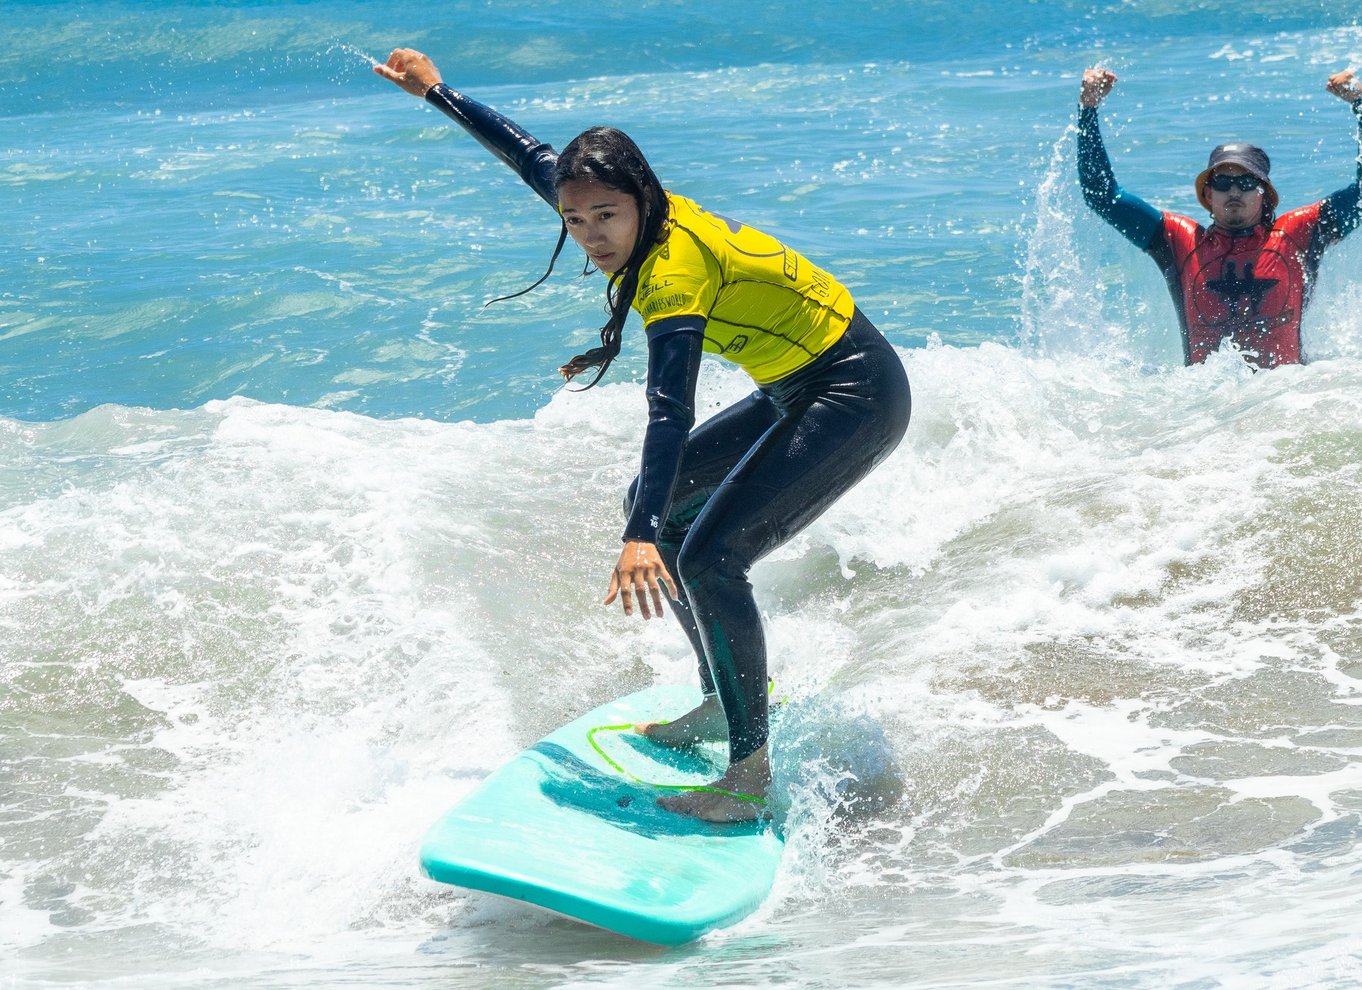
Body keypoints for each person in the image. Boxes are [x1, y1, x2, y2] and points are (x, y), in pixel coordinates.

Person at [374, 50, 911, 822]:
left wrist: (637, 538)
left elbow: (670, 409)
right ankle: (722, 704)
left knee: (711, 556)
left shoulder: (673, 273)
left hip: (856, 389)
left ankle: (747, 774)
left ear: (642, 199)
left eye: (606, 217)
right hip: (795, 382)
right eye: (575, 219)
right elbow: (527, 153)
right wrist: (435, 91)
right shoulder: (601, 204)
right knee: (662, 509)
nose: (592, 236)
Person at [1077, 66, 1362, 368]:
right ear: (1208, 195)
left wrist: (1359, 103)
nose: (1234, 191)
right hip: (1210, 406)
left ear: (1264, 194)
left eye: (1247, 183)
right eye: (1223, 183)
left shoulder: (1299, 233)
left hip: (1288, 397)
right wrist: (1088, 109)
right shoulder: (1178, 241)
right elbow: (1102, 196)